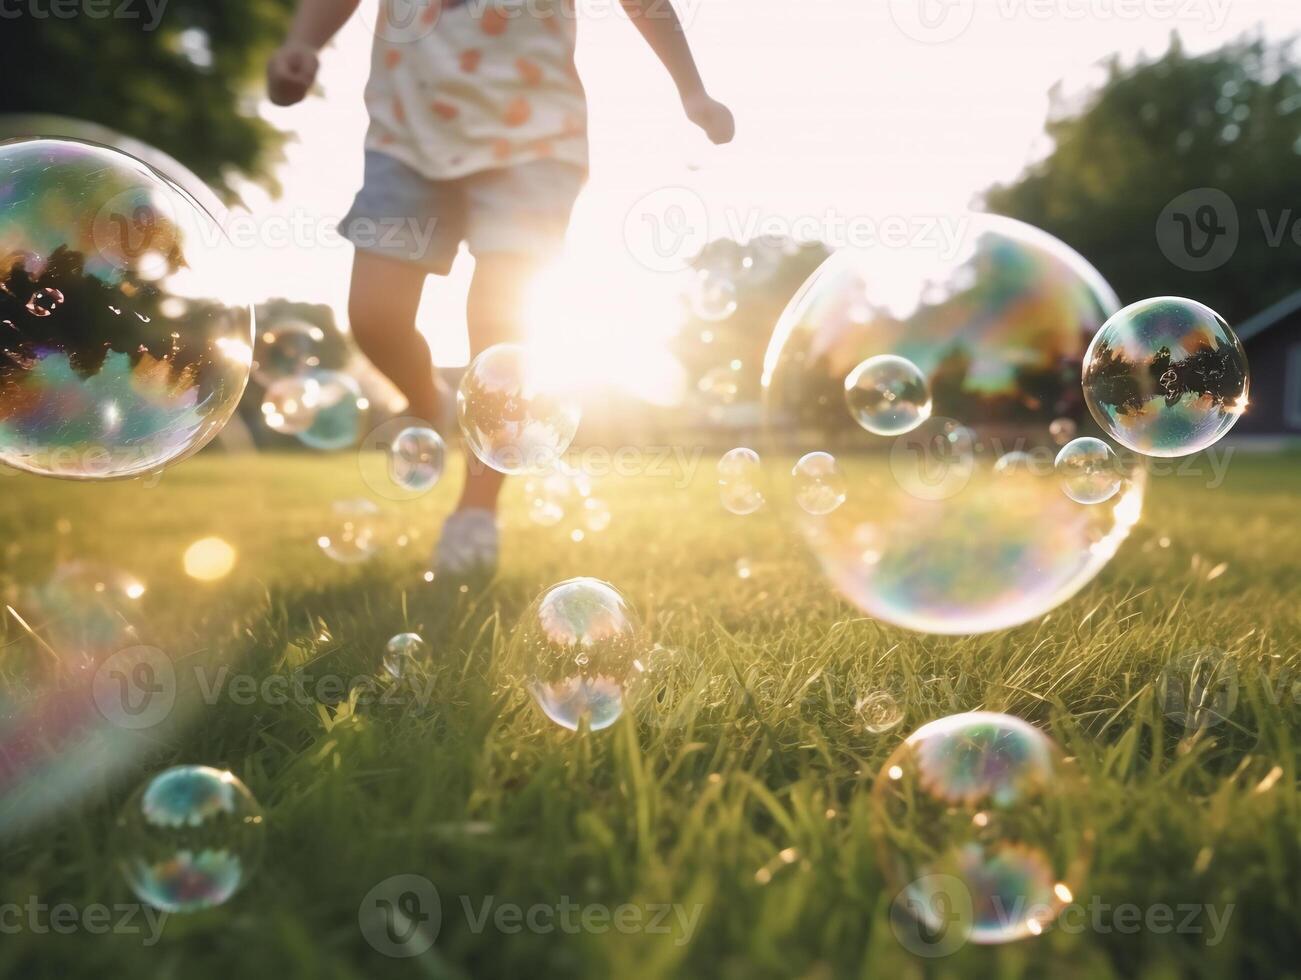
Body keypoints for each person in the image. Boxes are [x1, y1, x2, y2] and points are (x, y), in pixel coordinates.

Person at [268, 0, 733, 577]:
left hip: (534, 137)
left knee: (500, 324)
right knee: (374, 315)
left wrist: (692, 90)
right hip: (406, 134)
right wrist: (303, 43)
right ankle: (428, 402)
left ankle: (475, 512)